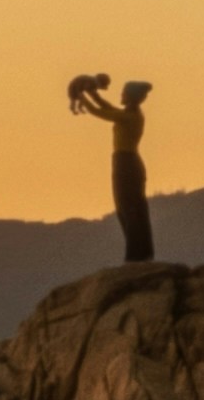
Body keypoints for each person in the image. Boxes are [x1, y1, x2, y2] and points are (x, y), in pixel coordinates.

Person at [65, 72, 155, 264]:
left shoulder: (129, 117)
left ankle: (136, 255)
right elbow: (108, 108)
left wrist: (81, 96)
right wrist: (93, 95)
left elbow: (101, 113)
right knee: (130, 208)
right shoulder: (129, 114)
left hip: (126, 163)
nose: (121, 95)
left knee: (129, 208)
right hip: (126, 162)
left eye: (124, 93)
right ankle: (140, 253)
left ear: (130, 96)